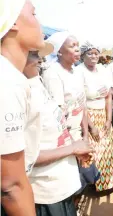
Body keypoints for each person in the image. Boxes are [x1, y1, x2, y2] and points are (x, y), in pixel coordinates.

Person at [23, 50, 94, 216]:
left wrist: (74, 148)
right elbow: (24, 158)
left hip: (61, 186)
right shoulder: (17, 92)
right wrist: (72, 149)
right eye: (33, 53)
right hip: (44, 193)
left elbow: (57, 124)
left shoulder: (37, 82)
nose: (41, 59)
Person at [0, 0, 45, 215]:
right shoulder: (7, 81)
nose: (39, 22)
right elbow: (11, 186)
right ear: (14, 22)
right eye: (34, 14)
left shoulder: (14, 78)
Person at [75, 41, 113, 191]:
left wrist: (108, 119)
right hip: (88, 116)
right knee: (95, 153)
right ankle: (94, 184)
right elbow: (81, 102)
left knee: (108, 150)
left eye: (96, 53)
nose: (94, 56)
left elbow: (108, 96)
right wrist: (91, 126)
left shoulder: (102, 69)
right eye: (90, 53)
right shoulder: (79, 72)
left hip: (104, 114)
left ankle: (109, 184)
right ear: (83, 56)